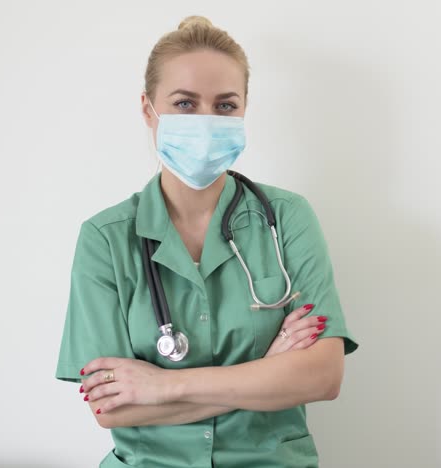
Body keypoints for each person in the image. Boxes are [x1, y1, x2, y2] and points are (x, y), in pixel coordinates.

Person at [55, 15, 359, 468]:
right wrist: (266, 374)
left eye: (224, 106)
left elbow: (323, 376)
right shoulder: (105, 239)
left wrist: (164, 386)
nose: (205, 121)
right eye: (184, 103)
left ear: (243, 109)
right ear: (147, 109)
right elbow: (112, 407)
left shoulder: (289, 218)